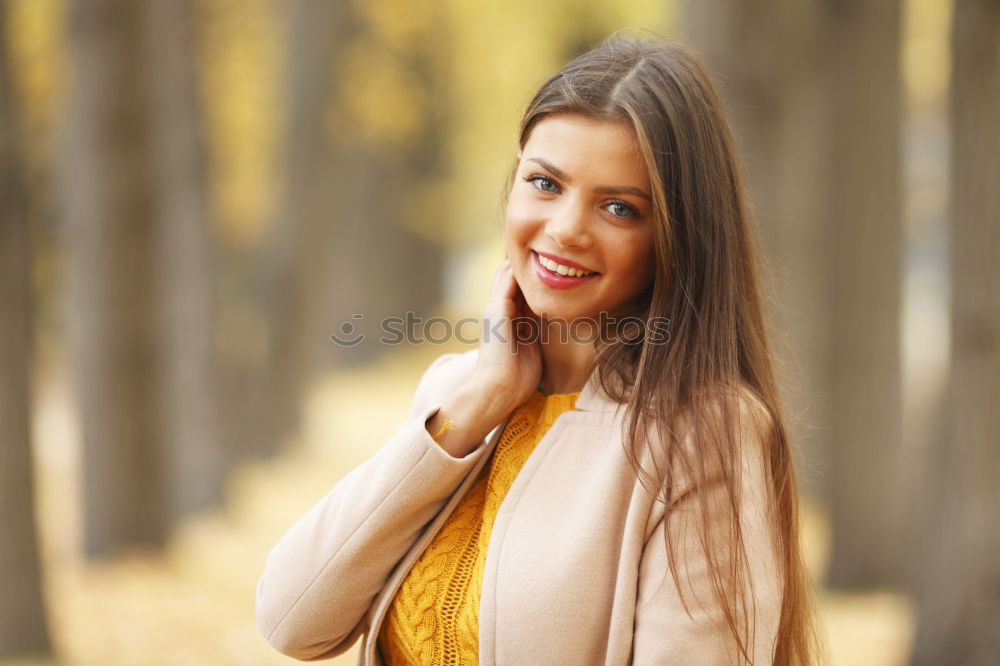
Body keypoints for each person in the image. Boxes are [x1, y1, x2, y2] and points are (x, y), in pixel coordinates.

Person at [256, 33, 822, 666]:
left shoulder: (703, 435)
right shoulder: (456, 395)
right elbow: (291, 620)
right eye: (545, 184)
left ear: (676, 236)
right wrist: (478, 403)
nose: (566, 230)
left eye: (618, 207)